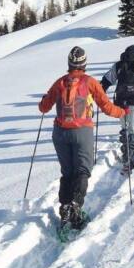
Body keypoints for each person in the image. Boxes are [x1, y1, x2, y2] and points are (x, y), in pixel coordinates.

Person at [39, 46, 127, 229]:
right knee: (82, 171)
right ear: (85, 63)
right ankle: (76, 207)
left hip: (60, 133)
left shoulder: (60, 82)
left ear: (69, 63)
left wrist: (43, 100)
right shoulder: (90, 82)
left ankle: (64, 208)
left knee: (67, 172)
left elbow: (43, 107)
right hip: (82, 131)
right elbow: (106, 107)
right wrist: (123, 112)